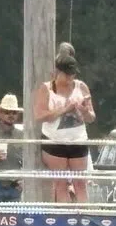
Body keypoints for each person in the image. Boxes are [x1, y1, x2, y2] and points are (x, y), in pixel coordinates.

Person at [31, 43, 95, 203]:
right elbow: (39, 115)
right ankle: (65, 219)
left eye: (72, 75)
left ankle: (82, 218)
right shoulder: (47, 88)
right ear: (58, 72)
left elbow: (91, 117)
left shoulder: (81, 87)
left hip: (78, 140)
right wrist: (64, 109)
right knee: (60, 183)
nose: (70, 78)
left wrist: (84, 111)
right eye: (67, 75)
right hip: (54, 140)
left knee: (80, 183)